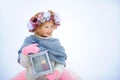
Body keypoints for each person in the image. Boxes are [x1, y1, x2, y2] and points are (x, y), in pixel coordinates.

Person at [17, 10, 67, 80]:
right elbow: (25, 64)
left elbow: (60, 61)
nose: (50, 29)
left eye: (51, 26)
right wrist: (25, 53)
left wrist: (57, 72)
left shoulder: (55, 43)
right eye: (46, 27)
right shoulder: (30, 41)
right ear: (38, 28)